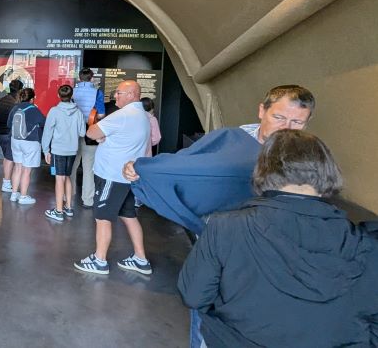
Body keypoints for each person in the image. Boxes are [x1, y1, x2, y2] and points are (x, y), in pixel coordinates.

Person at [178, 129, 378, 348]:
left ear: (264, 171)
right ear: (328, 171)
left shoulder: (225, 227)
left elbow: (194, 296)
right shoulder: (366, 243)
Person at [123, 85, 315, 236]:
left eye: (297, 122)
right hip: (214, 231)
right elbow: (184, 163)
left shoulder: (307, 161)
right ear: (262, 111)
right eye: (279, 117)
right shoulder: (228, 138)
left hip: (262, 239)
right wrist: (142, 168)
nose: (286, 128)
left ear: (307, 122)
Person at [73, 80, 151, 275]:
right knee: (129, 215)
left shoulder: (123, 115)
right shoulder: (143, 116)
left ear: (132, 94)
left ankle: (100, 260)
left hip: (111, 176)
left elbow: (91, 132)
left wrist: (100, 135)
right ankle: (140, 259)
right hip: (126, 179)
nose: (115, 96)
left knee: (103, 218)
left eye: (118, 93)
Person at [41, 84, 86, 221]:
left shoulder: (54, 111)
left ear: (58, 95)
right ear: (71, 96)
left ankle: (59, 211)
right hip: (72, 150)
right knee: (67, 177)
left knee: (59, 178)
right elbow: (82, 132)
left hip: (58, 151)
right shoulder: (78, 112)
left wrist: (45, 150)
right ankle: (69, 207)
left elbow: (47, 132)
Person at [71, 68, 106, 208]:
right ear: (91, 79)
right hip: (89, 130)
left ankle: (69, 194)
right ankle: (88, 200)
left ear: (80, 78)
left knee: (72, 165)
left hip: (73, 131)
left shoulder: (72, 91)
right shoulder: (97, 92)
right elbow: (101, 115)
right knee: (88, 166)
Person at [7, 88, 46, 205]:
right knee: (27, 170)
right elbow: (44, 122)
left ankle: (14, 194)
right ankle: (23, 196)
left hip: (15, 141)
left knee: (17, 167)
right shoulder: (34, 109)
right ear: (32, 99)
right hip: (30, 142)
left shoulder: (15, 108)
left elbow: (9, 124)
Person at [0, 78, 23, 193]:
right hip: (11, 135)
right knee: (10, 160)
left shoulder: (0, 101)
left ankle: (7, 182)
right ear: (20, 90)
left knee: (7, 158)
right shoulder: (17, 104)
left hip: (1, 133)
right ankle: (7, 183)